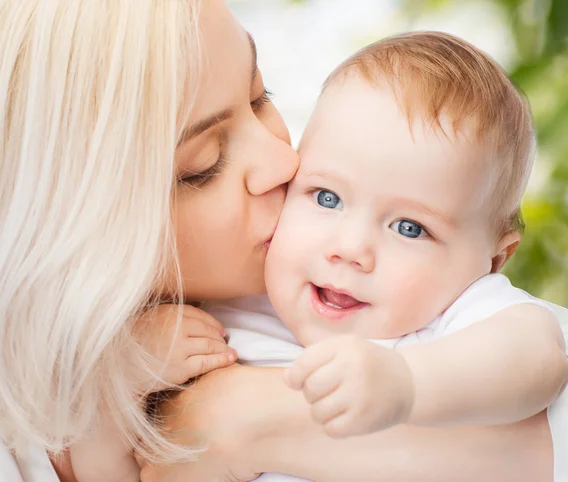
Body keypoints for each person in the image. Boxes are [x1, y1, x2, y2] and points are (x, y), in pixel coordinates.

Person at [0, 1, 564, 482]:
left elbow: (538, 355)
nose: (285, 162)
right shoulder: (199, 325)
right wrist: (106, 397)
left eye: (261, 97)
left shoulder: (451, 316)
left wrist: (407, 386)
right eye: (202, 165)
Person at [187, 31, 567, 482]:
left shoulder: (460, 319)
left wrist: (406, 384)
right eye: (326, 197)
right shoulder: (235, 303)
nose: (350, 250)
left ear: (492, 261)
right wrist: (148, 350)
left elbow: (536, 357)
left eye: (409, 228)